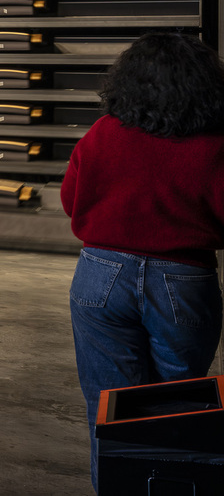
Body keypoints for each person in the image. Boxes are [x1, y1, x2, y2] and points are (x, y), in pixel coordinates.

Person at [62, 32, 224, 489]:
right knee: (177, 405)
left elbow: (71, 199)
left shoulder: (103, 134)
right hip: (183, 279)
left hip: (99, 275)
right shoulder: (214, 145)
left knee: (109, 405)